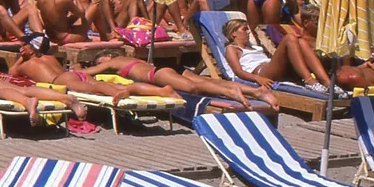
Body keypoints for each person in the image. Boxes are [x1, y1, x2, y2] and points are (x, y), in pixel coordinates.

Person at [10, 34, 176, 104]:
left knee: (95, 88)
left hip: (62, 81)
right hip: (71, 74)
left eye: (24, 45)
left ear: (32, 49)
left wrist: (21, 59)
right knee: (119, 85)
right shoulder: (50, 58)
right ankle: (161, 91)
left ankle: (115, 93)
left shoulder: (27, 64)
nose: (21, 48)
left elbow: (11, 73)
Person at [81, 54, 280, 110]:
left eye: (101, 61)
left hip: (157, 75)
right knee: (205, 81)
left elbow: (89, 72)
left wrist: (80, 71)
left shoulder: (115, 61)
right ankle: (256, 92)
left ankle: (232, 93)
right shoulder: (130, 58)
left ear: (107, 56)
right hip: (164, 68)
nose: (102, 65)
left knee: (194, 88)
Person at [223, 18, 332, 91]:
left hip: (274, 68)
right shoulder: (232, 48)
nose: (248, 32)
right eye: (244, 29)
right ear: (233, 33)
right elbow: (238, 71)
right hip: (262, 73)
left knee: (302, 42)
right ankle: (309, 80)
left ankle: (327, 82)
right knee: (289, 38)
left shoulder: (253, 46)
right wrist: (258, 79)